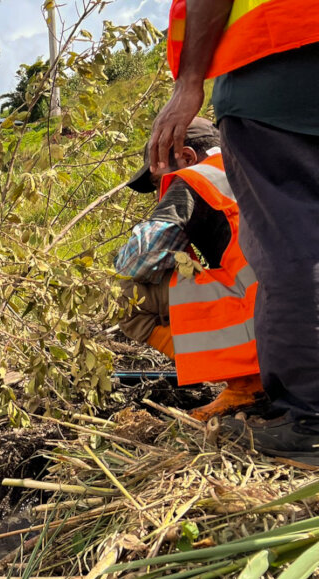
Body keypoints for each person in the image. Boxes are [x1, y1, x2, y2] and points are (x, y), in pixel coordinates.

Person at [149, 0, 319, 463]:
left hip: (275, 57)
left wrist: (189, 83)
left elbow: (137, 259)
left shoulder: (192, 182)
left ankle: (300, 411)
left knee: (136, 293)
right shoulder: (224, 169)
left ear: (184, 154)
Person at [116, 117, 262, 421]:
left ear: (187, 157)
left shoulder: (200, 177)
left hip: (268, 307)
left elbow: (136, 262)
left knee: (120, 295)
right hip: (299, 311)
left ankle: (248, 382)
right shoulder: (261, 159)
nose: (160, 194)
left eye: (158, 183)